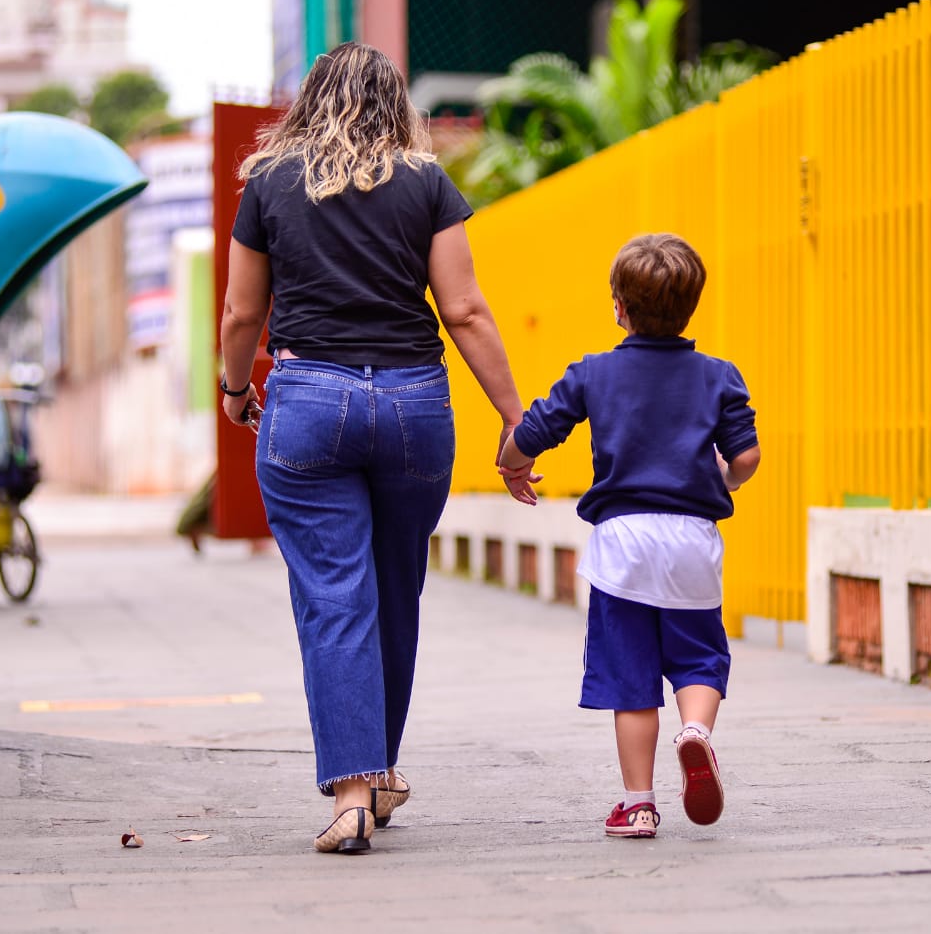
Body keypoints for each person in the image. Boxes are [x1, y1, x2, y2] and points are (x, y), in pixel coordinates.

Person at [219, 41, 533, 855]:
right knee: (394, 589)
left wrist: (233, 388)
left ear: (310, 101)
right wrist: (513, 420)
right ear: (396, 104)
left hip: (309, 404)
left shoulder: (270, 184)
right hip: (412, 408)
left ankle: (354, 793)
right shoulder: (427, 184)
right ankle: (379, 768)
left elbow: (240, 316)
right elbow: (464, 311)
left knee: (335, 596)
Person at [497, 233, 760, 838]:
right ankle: (695, 732)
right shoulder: (719, 377)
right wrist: (725, 478)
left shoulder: (596, 373)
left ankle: (638, 804)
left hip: (622, 545)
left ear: (618, 305)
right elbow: (746, 456)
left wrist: (511, 462)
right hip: (693, 539)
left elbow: (536, 429)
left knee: (631, 673)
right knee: (699, 655)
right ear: (692, 304)